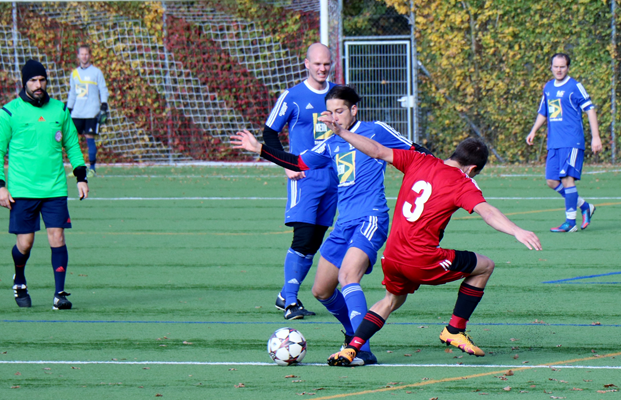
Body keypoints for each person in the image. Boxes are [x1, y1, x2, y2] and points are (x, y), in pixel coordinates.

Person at [232, 85, 432, 365]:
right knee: (321, 290)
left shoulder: (376, 130)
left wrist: (448, 173)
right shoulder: (331, 143)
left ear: (353, 110)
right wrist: (260, 149)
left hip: (371, 218)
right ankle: (353, 335)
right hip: (343, 223)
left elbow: (418, 152)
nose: (335, 117)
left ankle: (361, 349)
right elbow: (299, 161)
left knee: (348, 277)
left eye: (340, 111)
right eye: (331, 112)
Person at [316, 126, 542, 365]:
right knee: (485, 266)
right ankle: (454, 330)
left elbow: (377, 151)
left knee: (392, 300)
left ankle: (351, 349)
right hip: (420, 258)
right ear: (473, 168)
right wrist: (517, 230)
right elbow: (487, 212)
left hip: (392, 257)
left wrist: (342, 132)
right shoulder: (463, 183)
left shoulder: (419, 160)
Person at [0, 59, 89, 310]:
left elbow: (73, 146)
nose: (38, 85)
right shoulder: (9, 113)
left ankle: (59, 294)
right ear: (24, 82)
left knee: (57, 236)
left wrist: (81, 177)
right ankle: (19, 279)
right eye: (33, 80)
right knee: (26, 243)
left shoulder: (60, 110)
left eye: (42, 80)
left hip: (54, 188)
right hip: (22, 190)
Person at [261, 43, 338, 320]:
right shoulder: (292, 96)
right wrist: (285, 163)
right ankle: (290, 301)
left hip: (332, 179)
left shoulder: (337, 94)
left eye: (326, 64)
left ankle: (285, 295)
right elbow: (269, 134)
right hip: (303, 177)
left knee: (314, 242)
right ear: (306, 64)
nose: (322, 68)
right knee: (303, 237)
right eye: (317, 64)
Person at [526, 53, 602, 232]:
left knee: (568, 180)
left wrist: (596, 136)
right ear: (551, 67)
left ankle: (570, 223)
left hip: (571, 141)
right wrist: (534, 130)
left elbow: (590, 110)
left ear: (568, 68)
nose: (559, 70)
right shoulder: (549, 87)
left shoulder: (575, 87)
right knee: (552, 181)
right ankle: (584, 206)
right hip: (554, 143)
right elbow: (544, 112)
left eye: (562, 67)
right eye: (556, 66)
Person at [66, 44, 109, 177]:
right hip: (77, 113)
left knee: (90, 139)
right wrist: (68, 108)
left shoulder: (96, 72)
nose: (84, 56)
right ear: (78, 56)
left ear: (89, 55)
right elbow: (72, 93)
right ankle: (77, 168)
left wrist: (104, 104)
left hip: (91, 112)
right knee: (72, 140)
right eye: (82, 54)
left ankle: (92, 168)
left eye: (86, 54)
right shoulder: (74, 74)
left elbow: (103, 89)